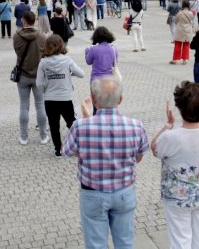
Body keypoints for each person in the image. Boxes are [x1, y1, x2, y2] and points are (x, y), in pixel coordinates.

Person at [62, 75, 149, 249]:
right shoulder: (136, 126)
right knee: (125, 241)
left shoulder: (80, 126)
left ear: (93, 101)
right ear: (121, 99)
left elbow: (67, 151)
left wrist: (87, 123)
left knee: (95, 244)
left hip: (92, 193)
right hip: (124, 192)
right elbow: (138, 157)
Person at [151, 82, 199, 249]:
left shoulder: (171, 137)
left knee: (180, 239)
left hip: (178, 196)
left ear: (179, 108)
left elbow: (154, 148)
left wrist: (167, 125)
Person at [36, 35, 85, 157]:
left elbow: (39, 84)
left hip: (50, 99)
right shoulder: (67, 60)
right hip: (65, 98)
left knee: (54, 125)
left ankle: (58, 150)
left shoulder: (43, 62)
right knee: (72, 123)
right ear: (61, 45)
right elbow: (81, 74)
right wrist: (68, 73)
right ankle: (78, 146)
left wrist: (46, 90)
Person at [13, 11, 49, 145]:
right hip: (38, 75)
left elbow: (17, 52)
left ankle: (24, 137)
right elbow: (46, 54)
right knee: (40, 106)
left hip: (22, 75)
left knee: (23, 106)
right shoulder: (42, 36)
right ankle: (43, 136)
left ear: (23, 20)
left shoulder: (16, 36)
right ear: (34, 21)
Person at [170, 0, 195, 65]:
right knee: (186, 45)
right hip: (188, 30)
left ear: (182, 5)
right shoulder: (191, 13)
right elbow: (192, 21)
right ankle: (185, 60)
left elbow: (175, 21)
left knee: (177, 44)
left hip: (180, 29)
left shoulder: (179, 13)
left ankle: (175, 59)